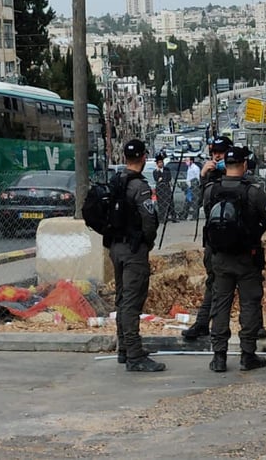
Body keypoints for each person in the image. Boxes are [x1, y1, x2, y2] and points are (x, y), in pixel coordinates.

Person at [201, 146, 266, 372]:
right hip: (247, 258)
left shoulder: (211, 190)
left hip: (220, 258)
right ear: (244, 165)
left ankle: (219, 356)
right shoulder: (252, 191)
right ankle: (247, 354)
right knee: (249, 304)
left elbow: (207, 215)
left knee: (220, 304)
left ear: (225, 164)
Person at [110, 139, 165, 372]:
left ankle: (124, 348)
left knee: (122, 298)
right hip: (134, 250)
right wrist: (148, 242)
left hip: (115, 247)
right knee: (132, 301)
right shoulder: (140, 186)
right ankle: (134, 355)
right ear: (143, 158)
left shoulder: (116, 181)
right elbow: (149, 220)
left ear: (124, 158)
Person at [182, 136, 234, 341]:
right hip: (215, 241)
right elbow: (203, 205)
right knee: (213, 283)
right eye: (214, 153)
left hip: (239, 241)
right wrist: (204, 177)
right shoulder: (210, 177)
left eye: (220, 153)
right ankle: (203, 323)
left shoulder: (239, 173)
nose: (216, 157)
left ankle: (256, 327)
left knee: (248, 287)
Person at [152, 155, 176, 224]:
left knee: (170, 203)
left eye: (161, 162)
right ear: (157, 164)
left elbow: (168, 178)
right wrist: (161, 178)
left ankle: (173, 217)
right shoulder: (155, 171)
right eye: (159, 162)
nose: (161, 163)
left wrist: (162, 178)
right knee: (161, 204)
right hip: (160, 190)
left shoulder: (166, 170)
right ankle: (162, 218)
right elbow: (157, 179)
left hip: (167, 188)